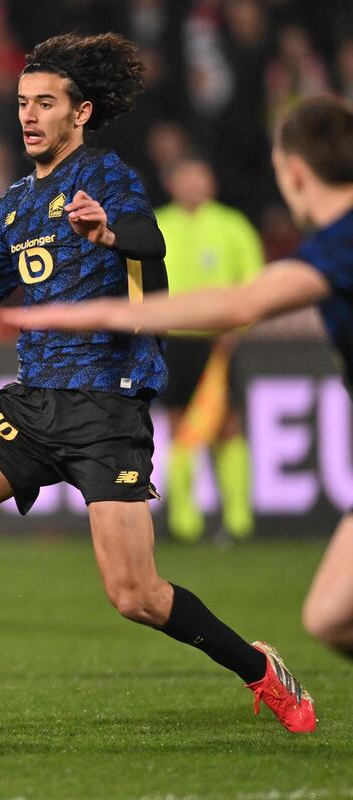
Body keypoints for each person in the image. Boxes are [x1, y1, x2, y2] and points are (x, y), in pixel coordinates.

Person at [0, 34, 315, 736]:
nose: (29, 116)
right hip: (33, 402)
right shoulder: (12, 205)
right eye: (22, 104)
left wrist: (107, 234)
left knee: (135, 594)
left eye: (45, 103)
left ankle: (258, 669)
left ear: (81, 112)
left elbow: (149, 242)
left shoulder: (107, 176)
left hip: (106, 404)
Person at [0, 94, 353, 662]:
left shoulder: (333, 244)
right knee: (329, 616)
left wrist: (94, 313)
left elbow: (238, 303)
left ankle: (232, 518)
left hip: (200, 340)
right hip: (176, 346)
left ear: (293, 172)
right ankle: (192, 519)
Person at [156, 157, 264, 543]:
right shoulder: (158, 225)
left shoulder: (233, 227)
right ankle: (184, 522)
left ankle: (238, 520)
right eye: (185, 178)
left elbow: (255, 282)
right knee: (178, 424)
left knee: (226, 423)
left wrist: (239, 326)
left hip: (217, 342)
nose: (192, 186)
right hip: (174, 339)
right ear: (173, 184)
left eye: (198, 177)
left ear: (211, 182)